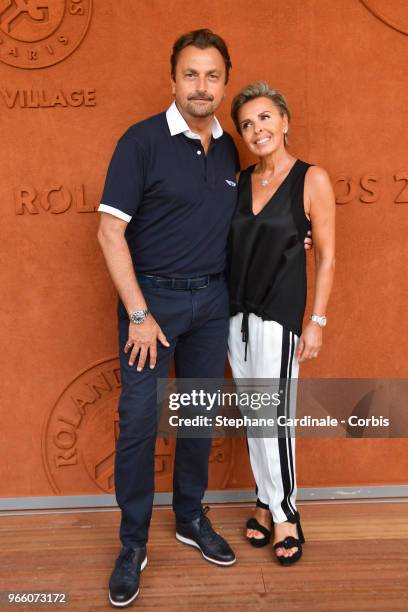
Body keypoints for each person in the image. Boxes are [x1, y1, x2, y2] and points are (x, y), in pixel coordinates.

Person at [97, 29, 313, 606]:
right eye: (190, 74)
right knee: (141, 423)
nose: (201, 86)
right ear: (173, 80)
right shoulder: (140, 142)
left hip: (212, 304)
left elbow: (256, 219)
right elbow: (109, 232)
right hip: (152, 307)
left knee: (195, 420)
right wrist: (138, 313)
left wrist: (299, 237)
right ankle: (133, 543)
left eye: (212, 75)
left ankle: (191, 519)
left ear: (223, 82)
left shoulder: (228, 149)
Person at [227, 82, 335, 565]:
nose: (257, 129)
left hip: (279, 316)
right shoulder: (239, 180)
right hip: (235, 317)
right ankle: (263, 501)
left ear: (285, 121)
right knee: (254, 417)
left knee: (276, 420)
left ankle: (287, 513)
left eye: (265, 117)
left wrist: (316, 320)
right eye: (247, 124)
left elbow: (327, 258)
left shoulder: (312, 179)